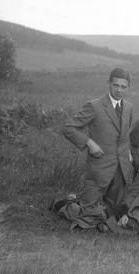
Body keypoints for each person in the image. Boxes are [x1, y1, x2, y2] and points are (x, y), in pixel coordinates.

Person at [58, 68, 134, 230]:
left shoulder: (129, 108)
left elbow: (124, 137)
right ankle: (67, 206)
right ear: (109, 84)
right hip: (98, 170)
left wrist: (128, 156)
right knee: (87, 216)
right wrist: (89, 143)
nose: (119, 90)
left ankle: (102, 216)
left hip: (120, 172)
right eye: (116, 85)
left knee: (115, 215)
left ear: (128, 87)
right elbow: (68, 128)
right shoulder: (95, 106)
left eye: (123, 86)